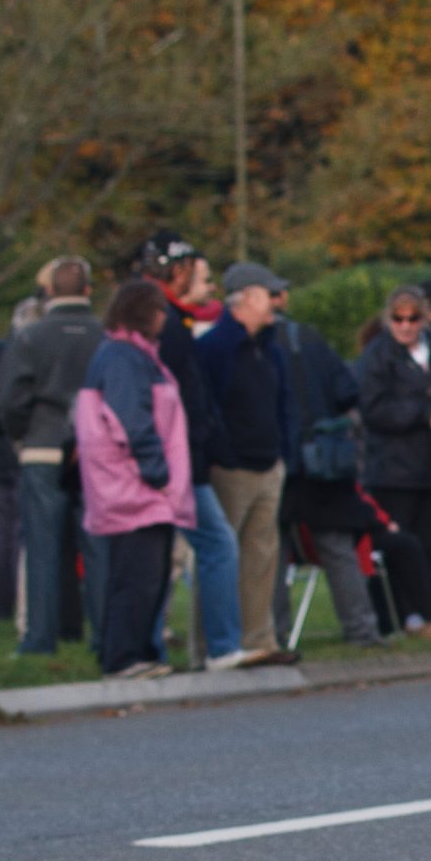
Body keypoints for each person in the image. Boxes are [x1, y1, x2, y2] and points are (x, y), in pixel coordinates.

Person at [133, 232, 246, 671]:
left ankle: (160, 646)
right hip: (175, 462)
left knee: (168, 554)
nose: (209, 287)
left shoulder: (173, 322)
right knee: (211, 545)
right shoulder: (165, 325)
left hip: (179, 459)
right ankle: (219, 646)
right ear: (177, 272)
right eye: (201, 276)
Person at [75, 281, 191, 679]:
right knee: (136, 576)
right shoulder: (125, 358)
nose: (165, 317)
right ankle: (122, 655)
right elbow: (131, 419)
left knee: (150, 574)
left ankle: (138, 651)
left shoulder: (135, 356)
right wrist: (157, 472)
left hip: (139, 487)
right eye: (159, 309)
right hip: (134, 488)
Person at [0, 256, 107, 653]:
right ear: (88, 291)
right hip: (93, 450)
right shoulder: (103, 335)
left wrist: (21, 435)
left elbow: (10, 398)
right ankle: (103, 634)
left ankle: (41, 636)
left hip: (43, 445)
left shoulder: (32, 336)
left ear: (48, 292)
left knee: (42, 548)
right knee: (96, 548)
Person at [354, 284, 431, 641]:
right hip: (394, 469)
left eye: (412, 318)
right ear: (388, 319)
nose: (405, 325)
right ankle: (408, 616)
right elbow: (373, 409)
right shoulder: (377, 355)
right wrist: (424, 414)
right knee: (401, 547)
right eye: (398, 319)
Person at [193, 261, 297, 664]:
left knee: (261, 559)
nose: (274, 303)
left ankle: (259, 640)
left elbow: (283, 402)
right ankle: (211, 646)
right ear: (247, 298)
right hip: (232, 469)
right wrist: (224, 455)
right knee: (221, 558)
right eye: (268, 295)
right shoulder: (215, 347)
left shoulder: (268, 346)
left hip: (268, 465)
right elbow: (210, 406)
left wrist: (283, 454)